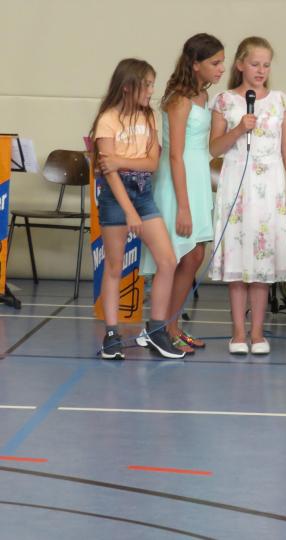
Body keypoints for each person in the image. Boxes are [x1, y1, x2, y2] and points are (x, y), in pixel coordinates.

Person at [208, 36, 286, 355]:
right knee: (238, 260)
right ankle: (237, 333)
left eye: (266, 65)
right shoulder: (224, 101)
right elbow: (214, 148)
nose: (261, 70)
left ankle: (258, 333)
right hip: (236, 182)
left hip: (270, 186)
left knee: (262, 263)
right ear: (240, 65)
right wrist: (238, 130)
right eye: (254, 64)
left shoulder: (280, 101)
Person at [90, 58, 184, 360]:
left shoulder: (149, 117)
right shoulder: (107, 119)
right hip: (116, 196)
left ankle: (156, 330)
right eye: (147, 84)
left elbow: (152, 163)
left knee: (167, 260)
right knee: (115, 266)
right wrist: (128, 210)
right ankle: (112, 334)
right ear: (128, 86)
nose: (151, 90)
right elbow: (108, 170)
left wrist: (121, 161)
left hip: (143, 193)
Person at [141, 33, 225, 354]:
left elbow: (207, 147)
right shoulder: (179, 98)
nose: (220, 69)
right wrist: (184, 208)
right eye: (214, 63)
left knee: (195, 254)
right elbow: (175, 154)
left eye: (222, 63)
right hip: (178, 182)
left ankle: (173, 326)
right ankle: (161, 327)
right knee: (176, 255)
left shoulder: (204, 97)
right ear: (195, 64)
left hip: (199, 177)